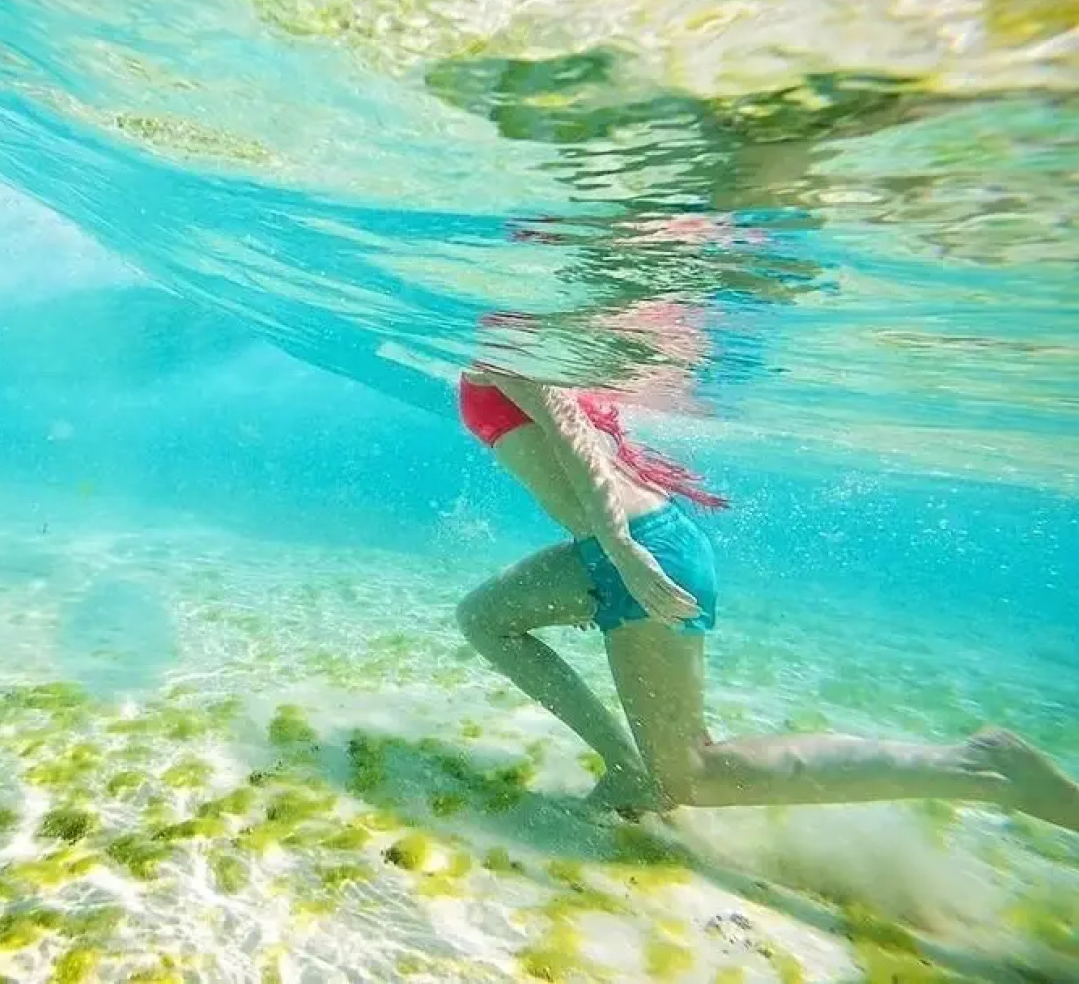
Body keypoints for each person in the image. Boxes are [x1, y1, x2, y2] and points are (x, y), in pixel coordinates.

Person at [453, 315, 1079, 831]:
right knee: (486, 618)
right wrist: (608, 549)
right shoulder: (532, 332)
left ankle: (978, 766)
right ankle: (625, 766)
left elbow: (568, 430)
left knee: (691, 776)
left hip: (643, 551)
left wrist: (619, 549)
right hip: (619, 548)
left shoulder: (509, 332)